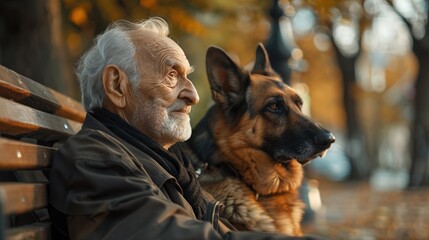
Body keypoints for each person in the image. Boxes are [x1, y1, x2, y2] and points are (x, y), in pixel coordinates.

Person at [48, 17, 324, 240]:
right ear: (117, 86)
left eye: (187, 77)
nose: (193, 94)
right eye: (172, 75)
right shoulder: (96, 159)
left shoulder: (160, 162)